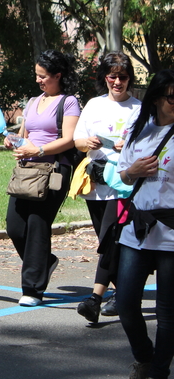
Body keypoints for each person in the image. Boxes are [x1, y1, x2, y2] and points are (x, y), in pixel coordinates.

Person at [4, 50, 81, 307]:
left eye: (43, 76)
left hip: (54, 172)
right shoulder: (32, 101)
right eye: (36, 75)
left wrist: (37, 150)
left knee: (38, 225)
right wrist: (12, 140)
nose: (38, 80)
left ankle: (33, 289)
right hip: (26, 172)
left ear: (58, 75)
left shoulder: (69, 102)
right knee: (14, 226)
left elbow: (69, 139)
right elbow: (24, 133)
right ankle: (44, 262)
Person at [73, 52, 140, 324]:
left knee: (110, 239)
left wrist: (130, 147)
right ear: (104, 78)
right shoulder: (93, 105)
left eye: (123, 77)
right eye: (112, 76)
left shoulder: (138, 108)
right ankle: (124, 294)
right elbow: (77, 141)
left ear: (129, 79)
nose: (117, 82)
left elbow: (150, 145)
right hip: (96, 182)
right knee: (107, 241)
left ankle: (95, 299)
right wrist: (87, 143)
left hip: (123, 185)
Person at [115, 69, 174, 379]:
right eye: (172, 98)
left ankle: (158, 371)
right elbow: (123, 177)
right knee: (125, 303)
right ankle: (145, 357)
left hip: (171, 232)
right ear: (156, 99)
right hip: (137, 227)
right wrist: (134, 170)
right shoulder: (141, 132)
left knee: (167, 313)